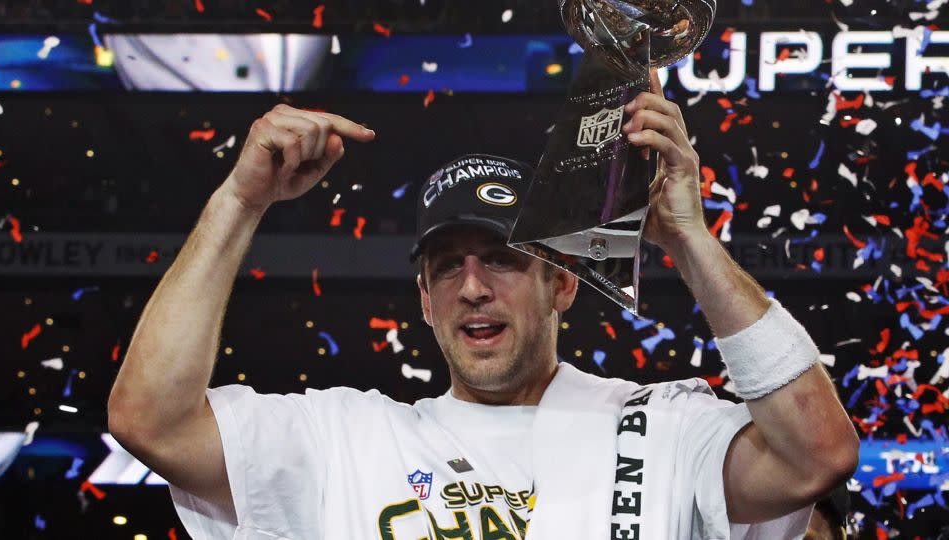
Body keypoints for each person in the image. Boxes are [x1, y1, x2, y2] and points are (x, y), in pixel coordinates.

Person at [107, 68, 860, 539]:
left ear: (563, 283)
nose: (472, 286)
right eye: (446, 268)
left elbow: (818, 455)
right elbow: (151, 422)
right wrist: (240, 200)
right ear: (425, 304)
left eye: (501, 260)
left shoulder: (665, 428)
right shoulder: (343, 440)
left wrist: (690, 239)